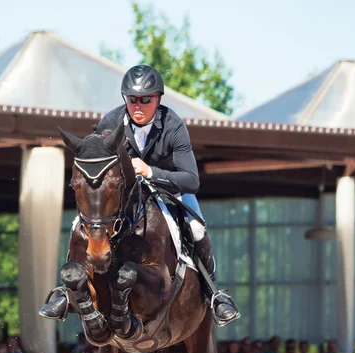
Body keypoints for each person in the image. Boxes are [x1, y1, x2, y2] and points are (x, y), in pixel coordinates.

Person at [40, 64, 239, 328]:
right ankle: (66, 293)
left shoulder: (173, 125)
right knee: (81, 225)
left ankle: (214, 294)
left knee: (197, 228)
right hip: (126, 195)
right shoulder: (110, 122)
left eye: (146, 100)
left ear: (158, 99)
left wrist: (150, 171)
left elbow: (191, 180)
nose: (138, 105)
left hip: (170, 189)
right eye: (132, 99)